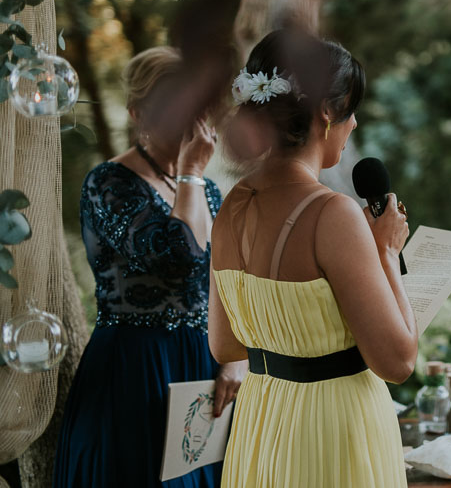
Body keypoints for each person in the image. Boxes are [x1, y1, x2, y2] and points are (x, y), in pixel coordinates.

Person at [208, 28, 417, 487]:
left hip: (263, 426)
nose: (355, 123)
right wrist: (385, 252)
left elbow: (225, 346)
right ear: (326, 111)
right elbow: (398, 363)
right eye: (351, 109)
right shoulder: (333, 213)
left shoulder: (230, 208)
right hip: (335, 431)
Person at [55, 47, 245, 488]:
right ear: (138, 112)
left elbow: (224, 278)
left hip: (200, 366)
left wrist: (237, 356)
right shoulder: (109, 183)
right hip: (133, 369)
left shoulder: (210, 191)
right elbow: (179, 259)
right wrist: (192, 172)